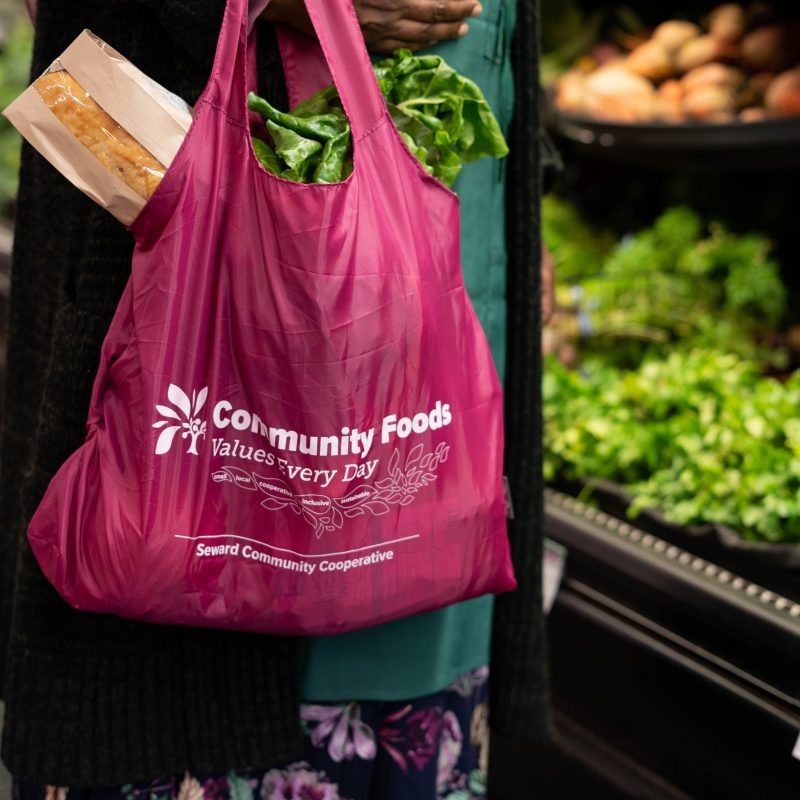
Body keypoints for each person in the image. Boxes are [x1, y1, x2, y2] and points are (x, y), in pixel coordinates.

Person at [0, 1, 548, 797]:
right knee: (186, 600)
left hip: (438, 204)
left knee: (428, 538)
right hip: (229, 205)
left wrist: (525, 178)